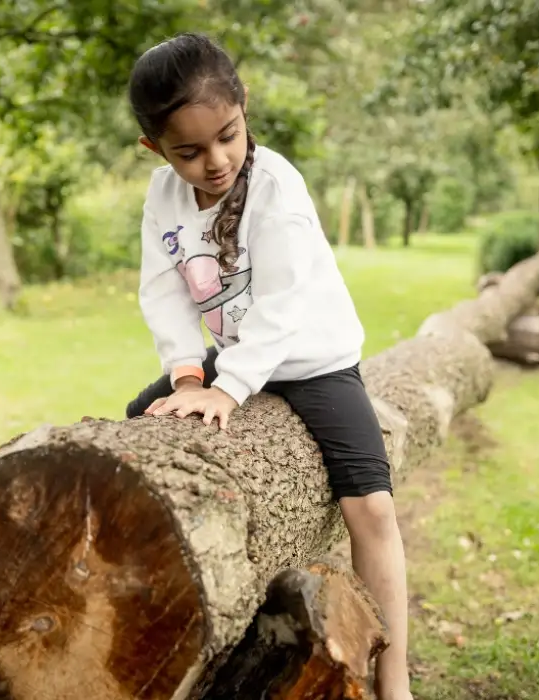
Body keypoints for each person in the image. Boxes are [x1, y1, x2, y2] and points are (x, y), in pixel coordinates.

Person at [123, 32, 413, 700]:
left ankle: (393, 681)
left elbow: (283, 303)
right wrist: (190, 376)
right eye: (189, 152)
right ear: (155, 150)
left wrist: (229, 388)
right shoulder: (163, 199)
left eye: (228, 135)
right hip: (233, 359)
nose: (216, 161)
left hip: (314, 359)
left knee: (372, 506)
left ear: (244, 107)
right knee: (137, 431)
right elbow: (163, 291)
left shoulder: (276, 185)